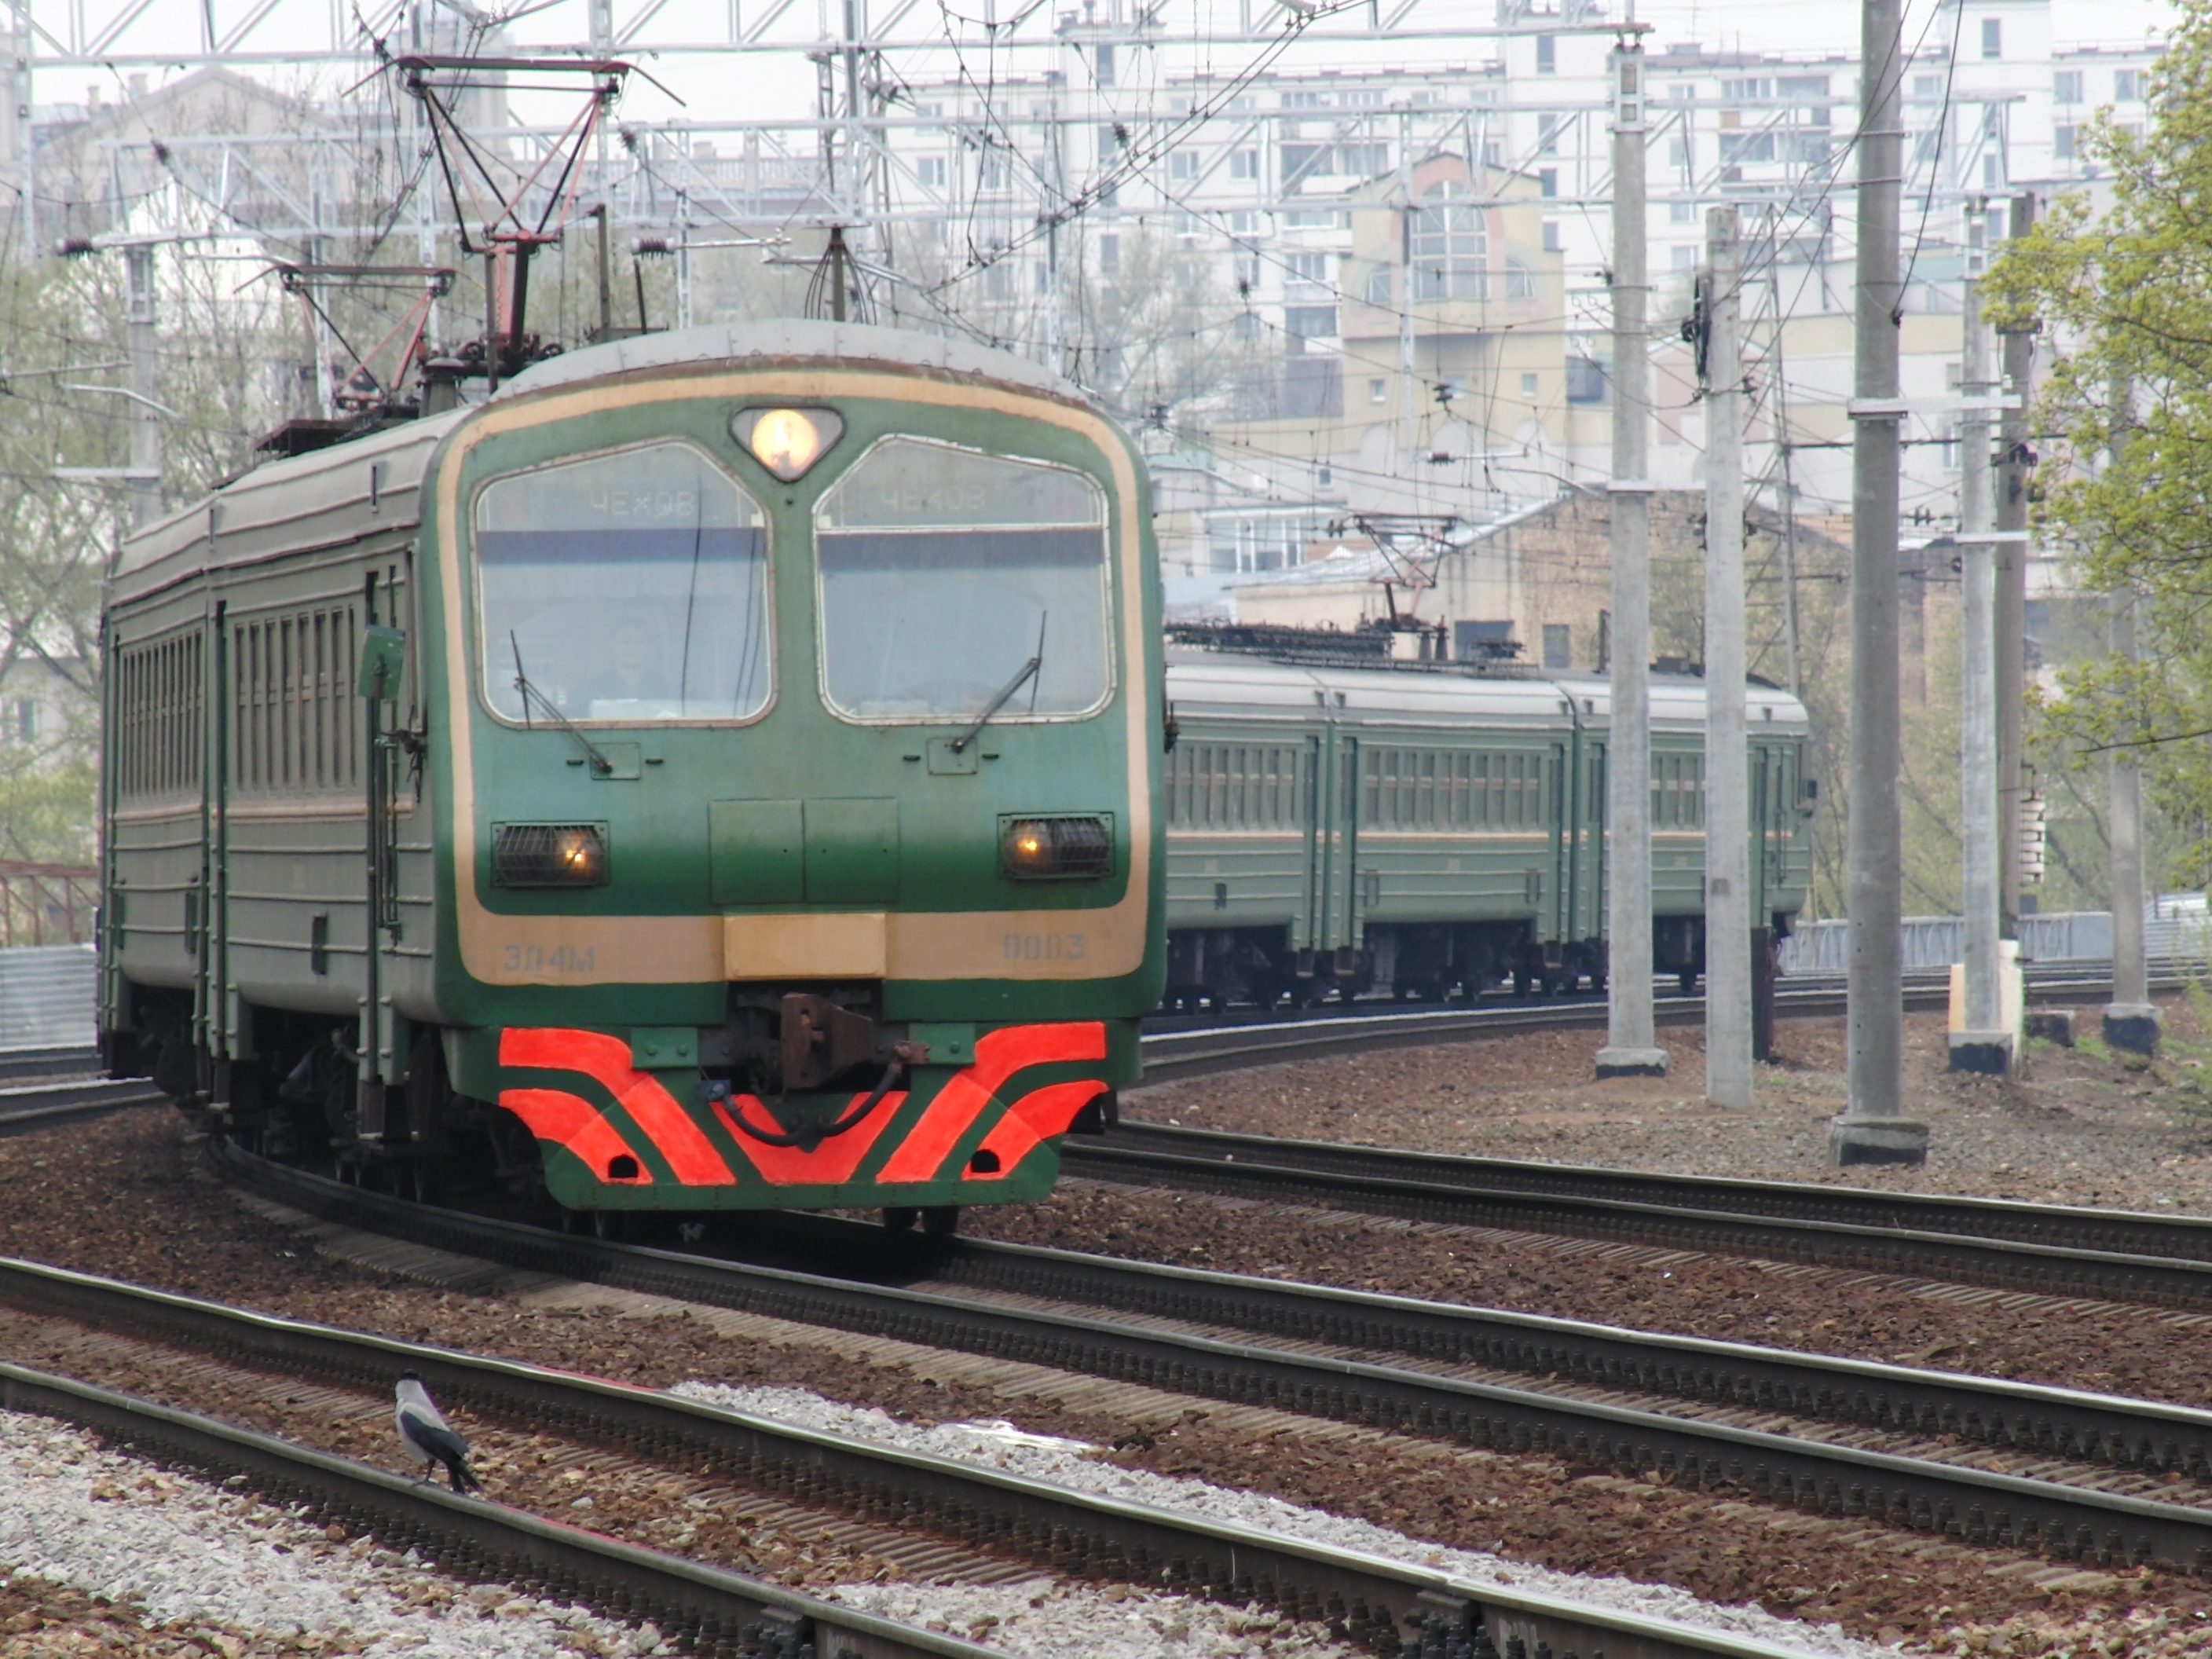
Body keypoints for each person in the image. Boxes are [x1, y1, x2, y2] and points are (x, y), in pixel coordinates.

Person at [575, 613, 679, 715]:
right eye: (625, 640)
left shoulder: (665, 689)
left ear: (649, 646)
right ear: (612, 644)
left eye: (641, 641)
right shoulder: (592, 690)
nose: (632, 647)